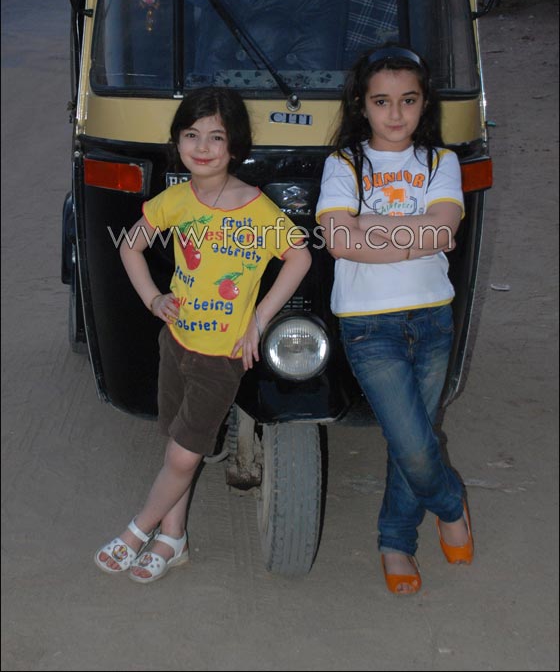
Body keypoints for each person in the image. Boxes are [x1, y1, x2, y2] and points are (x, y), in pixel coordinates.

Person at [94, 86, 311, 584]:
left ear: (236, 146)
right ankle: (174, 538)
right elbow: (130, 247)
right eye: (191, 135)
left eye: (217, 136)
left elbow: (299, 257)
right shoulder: (176, 200)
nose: (203, 147)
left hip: (221, 357)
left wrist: (259, 319)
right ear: (177, 141)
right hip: (176, 343)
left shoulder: (257, 209)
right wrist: (153, 299)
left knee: (182, 453)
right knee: (176, 442)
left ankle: (137, 530)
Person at [315, 46, 473, 595]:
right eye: (382, 101)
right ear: (362, 105)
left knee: (417, 436)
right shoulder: (344, 164)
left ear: (424, 102)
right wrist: (414, 238)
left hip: (431, 318)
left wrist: (370, 231)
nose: (396, 113)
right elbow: (339, 241)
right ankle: (450, 503)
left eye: (408, 100)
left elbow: (445, 229)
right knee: (412, 442)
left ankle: (395, 542)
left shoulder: (440, 161)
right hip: (368, 325)